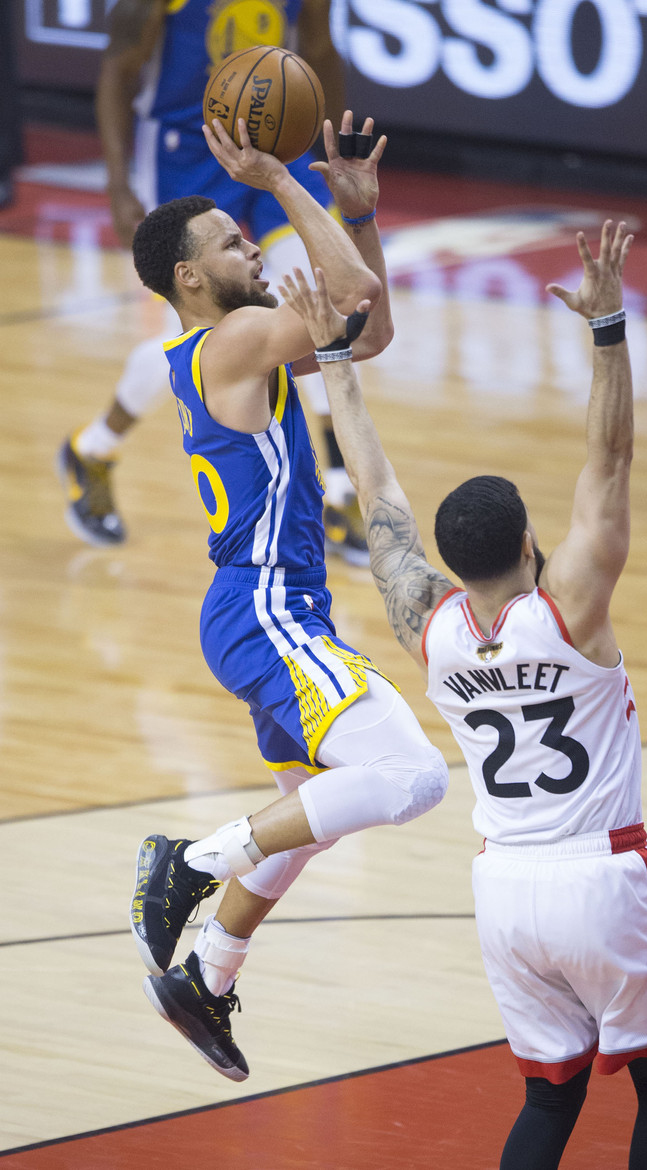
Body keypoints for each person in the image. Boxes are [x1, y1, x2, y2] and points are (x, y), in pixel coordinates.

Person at [278, 222, 647, 1170]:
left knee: (549, 1099)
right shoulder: (571, 610)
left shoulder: (425, 625)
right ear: (529, 545)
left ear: (453, 561)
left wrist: (335, 360)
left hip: (504, 888)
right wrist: (607, 330)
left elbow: (377, 494)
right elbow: (610, 463)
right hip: (604, 876)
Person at [128, 111, 448, 1082]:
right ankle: (188, 864)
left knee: (313, 814)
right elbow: (349, 297)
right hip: (266, 609)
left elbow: (366, 331)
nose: (254, 248)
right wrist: (276, 179)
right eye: (233, 242)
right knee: (412, 777)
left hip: (260, 611)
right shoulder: (231, 341)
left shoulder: (239, 347)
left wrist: (362, 219)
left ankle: (208, 976)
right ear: (189, 277)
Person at [57, 0, 370, 563]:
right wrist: (116, 182)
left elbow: (320, 50)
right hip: (187, 150)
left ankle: (342, 491)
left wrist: (332, 145)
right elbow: (119, 68)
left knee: (319, 300)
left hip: (279, 148)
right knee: (198, 343)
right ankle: (94, 447)